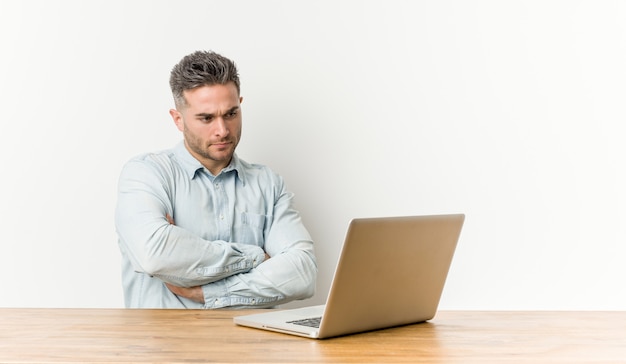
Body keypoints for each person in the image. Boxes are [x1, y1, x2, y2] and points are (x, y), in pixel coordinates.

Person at [115, 50, 317, 308]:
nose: (222, 130)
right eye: (206, 118)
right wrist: (256, 257)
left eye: (231, 114)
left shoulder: (268, 184)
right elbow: (155, 254)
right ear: (178, 119)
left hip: (251, 345)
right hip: (167, 346)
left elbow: (303, 273)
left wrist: (210, 292)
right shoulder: (146, 174)